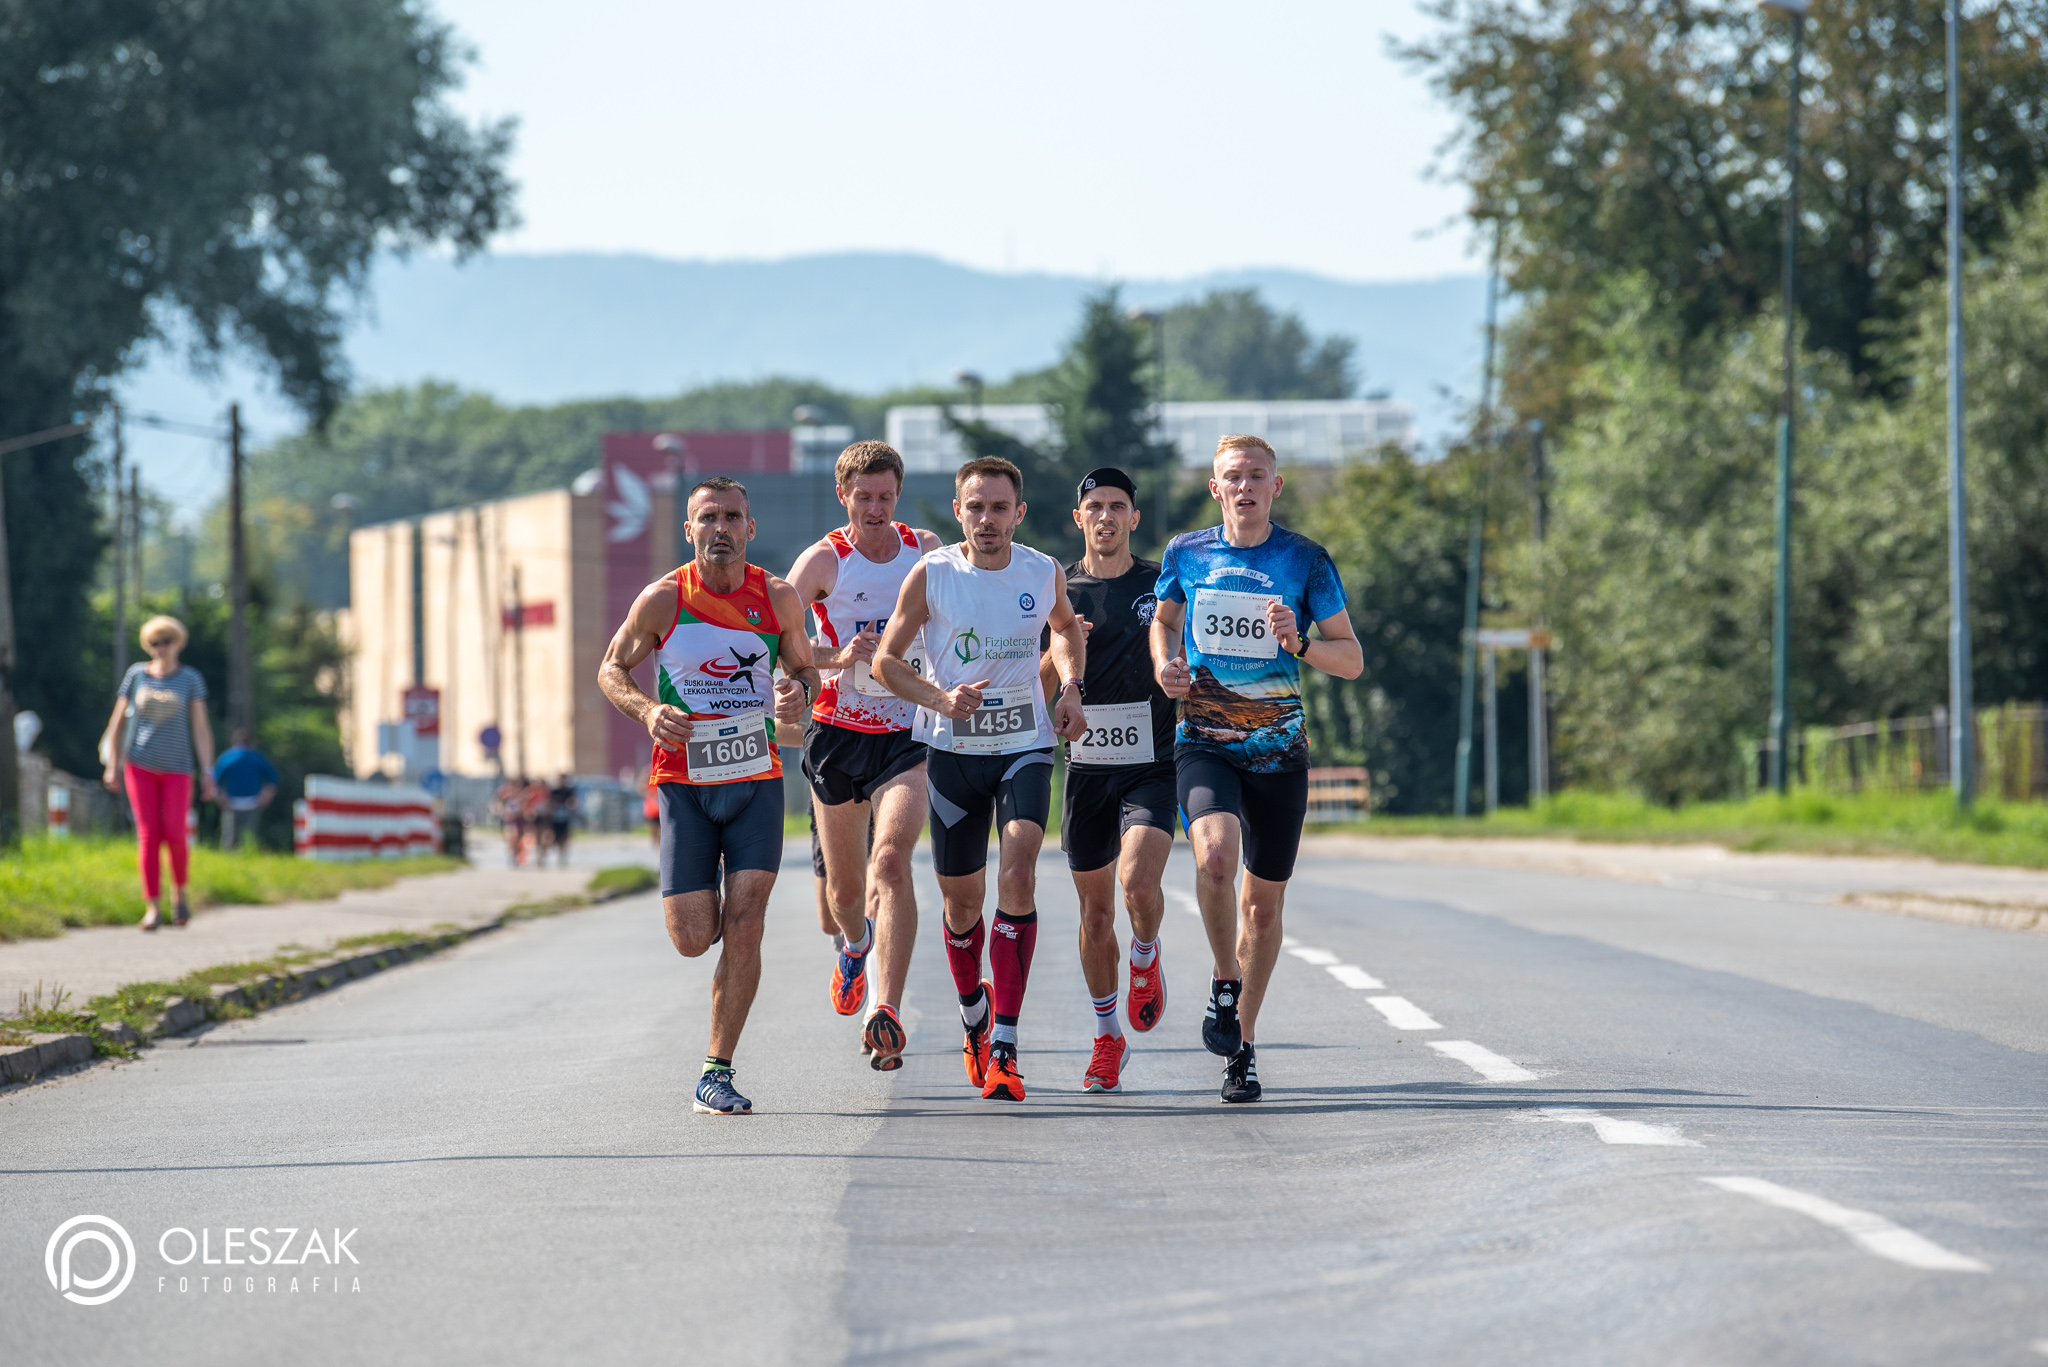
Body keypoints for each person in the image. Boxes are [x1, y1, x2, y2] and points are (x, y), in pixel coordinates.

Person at [1151, 434, 1362, 1103]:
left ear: (1276, 486)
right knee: (1215, 857)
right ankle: (1224, 976)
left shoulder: (1306, 560)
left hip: (1278, 751)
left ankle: (1240, 1046)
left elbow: (1351, 658)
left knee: (1262, 910)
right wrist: (1165, 665)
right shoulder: (1187, 552)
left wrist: (1299, 642)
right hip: (1204, 738)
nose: (1245, 486)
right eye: (1233, 476)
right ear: (1215, 487)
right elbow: (1164, 621)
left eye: (1257, 476)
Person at [598, 475, 817, 1116]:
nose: (721, 528)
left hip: (756, 779)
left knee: (747, 925)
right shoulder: (663, 598)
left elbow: (803, 666)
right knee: (694, 938)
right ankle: (707, 902)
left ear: (750, 528)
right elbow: (611, 668)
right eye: (709, 517)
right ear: (689, 529)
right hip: (684, 784)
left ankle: (715, 1071)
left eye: (733, 517)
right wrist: (647, 710)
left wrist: (799, 690)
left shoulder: (776, 597)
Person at [874, 456, 1087, 1102]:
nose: (987, 519)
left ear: (1018, 513)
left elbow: (1065, 629)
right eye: (975, 507)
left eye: (999, 508)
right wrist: (940, 699)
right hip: (953, 751)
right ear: (958, 511)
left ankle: (1007, 1047)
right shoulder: (933, 574)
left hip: (1025, 743)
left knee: (1018, 870)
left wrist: (1070, 686)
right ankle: (975, 1014)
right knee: (962, 903)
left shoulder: (1042, 571)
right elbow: (886, 662)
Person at [784, 440, 943, 1070]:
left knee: (893, 861)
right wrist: (835, 657)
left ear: (898, 495)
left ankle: (887, 1006)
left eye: (885, 497)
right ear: (843, 495)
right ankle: (855, 946)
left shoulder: (925, 550)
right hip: (837, 734)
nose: (875, 509)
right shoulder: (825, 560)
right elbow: (776, 640)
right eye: (863, 497)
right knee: (844, 899)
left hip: (908, 733)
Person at [1038, 468, 1179, 1094]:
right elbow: (1037, 690)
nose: (1106, 516)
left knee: (1137, 884)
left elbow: (1184, 651)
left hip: (1153, 762)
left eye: (1117, 506)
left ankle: (1145, 956)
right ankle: (1106, 1037)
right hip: (1087, 770)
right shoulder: (1060, 594)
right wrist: (1062, 652)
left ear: (1134, 518)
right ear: (1079, 518)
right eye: (1094, 506)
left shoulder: (1160, 585)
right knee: (1095, 917)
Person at [100, 615, 217, 930]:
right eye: (154, 643)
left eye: (166, 642)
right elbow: (118, 723)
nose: (161, 648)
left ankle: (179, 893)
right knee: (149, 835)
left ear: (178, 643)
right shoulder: (136, 675)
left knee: (175, 834)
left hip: (178, 768)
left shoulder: (190, 679)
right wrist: (113, 764)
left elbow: (201, 728)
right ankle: (152, 906)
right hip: (140, 764)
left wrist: (208, 770)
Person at [211, 728, 279, 852]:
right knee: (249, 837)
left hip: (231, 803)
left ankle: (229, 859)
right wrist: (267, 795)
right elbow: (273, 778)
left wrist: (220, 796)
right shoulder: (257, 757)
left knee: (229, 839)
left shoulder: (227, 757)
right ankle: (248, 856)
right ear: (251, 742)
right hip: (253, 802)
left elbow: (214, 780)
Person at [547, 774, 578, 868]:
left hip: (565, 818)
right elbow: (550, 803)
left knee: (564, 838)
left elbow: (573, 803)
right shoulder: (554, 791)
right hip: (556, 818)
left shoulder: (569, 791)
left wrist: (571, 806)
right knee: (556, 838)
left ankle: (563, 856)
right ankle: (559, 854)